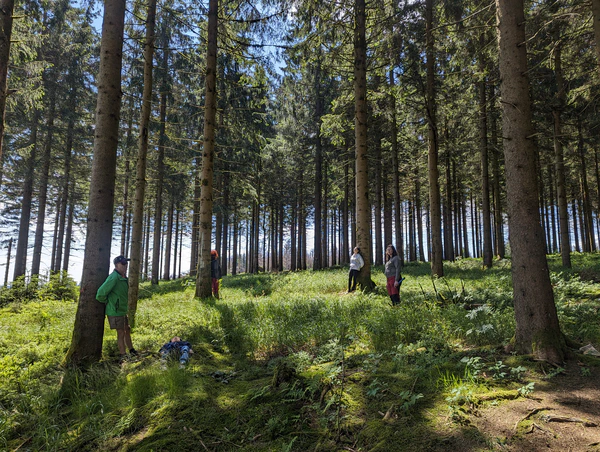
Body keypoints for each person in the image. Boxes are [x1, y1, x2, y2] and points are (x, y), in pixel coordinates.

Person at [96, 255, 137, 362]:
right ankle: (123, 355)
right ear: (117, 265)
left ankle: (131, 350)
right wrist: (110, 303)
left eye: (126, 263)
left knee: (127, 329)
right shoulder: (113, 277)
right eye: (123, 263)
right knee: (121, 332)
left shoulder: (123, 277)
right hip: (115, 311)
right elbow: (100, 294)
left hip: (122, 311)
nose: (125, 266)